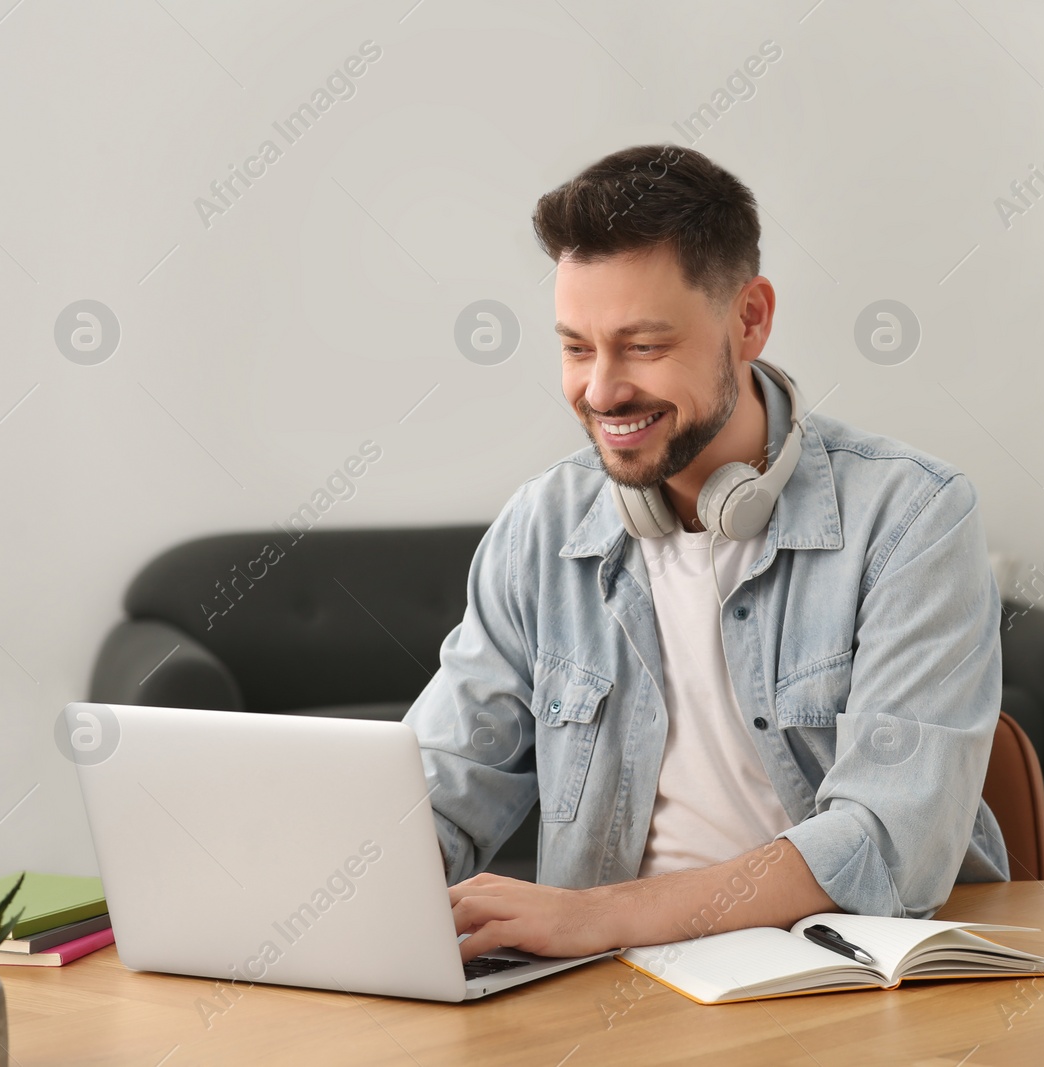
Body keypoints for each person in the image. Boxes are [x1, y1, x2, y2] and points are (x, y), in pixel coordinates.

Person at [404, 144, 1007, 963]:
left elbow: (887, 838)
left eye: (644, 346)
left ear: (750, 319)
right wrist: (346, 887)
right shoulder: (541, 525)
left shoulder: (912, 518)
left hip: (843, 980)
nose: (601, 391)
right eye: (577, 348)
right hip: (603, 990)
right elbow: (438, 792)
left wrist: (597, 916)